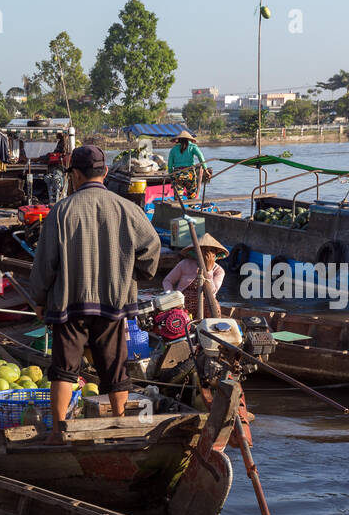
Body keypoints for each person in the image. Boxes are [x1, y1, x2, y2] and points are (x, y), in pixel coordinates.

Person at [25, 145, 162, 441]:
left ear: (75, 175)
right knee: (115, 368)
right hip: (113, 304)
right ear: (106, 173)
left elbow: (44, 264)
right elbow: (152, 248)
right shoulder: (128, 209)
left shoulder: (61, 210)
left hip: (69, 306)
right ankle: (120, 426)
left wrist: (39, 299)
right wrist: (133, 274)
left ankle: (59, 432)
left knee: (64, 370)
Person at [161, 233, 228, 316]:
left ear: (215, 255)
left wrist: (208, 270)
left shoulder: (218, 270)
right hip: (183, 303)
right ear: (197, 252)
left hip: (207, 303)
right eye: (203, 250)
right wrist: (171, 297)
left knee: (215, 308)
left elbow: (213, 292)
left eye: (211, 251)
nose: (207, 254)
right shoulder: (185, 264)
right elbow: (167, 281)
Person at [167, 129, 210, 200]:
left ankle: (178, 209)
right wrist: (206, 169)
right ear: (188, 139)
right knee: (191, 196)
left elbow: (170, 165)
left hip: (177, 174)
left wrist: (171, 176)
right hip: (190, 174)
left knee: (178, 199)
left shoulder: (174, 149)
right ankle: (192, 208)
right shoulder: (192, 147)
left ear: (179, 139)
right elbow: (201, 157)